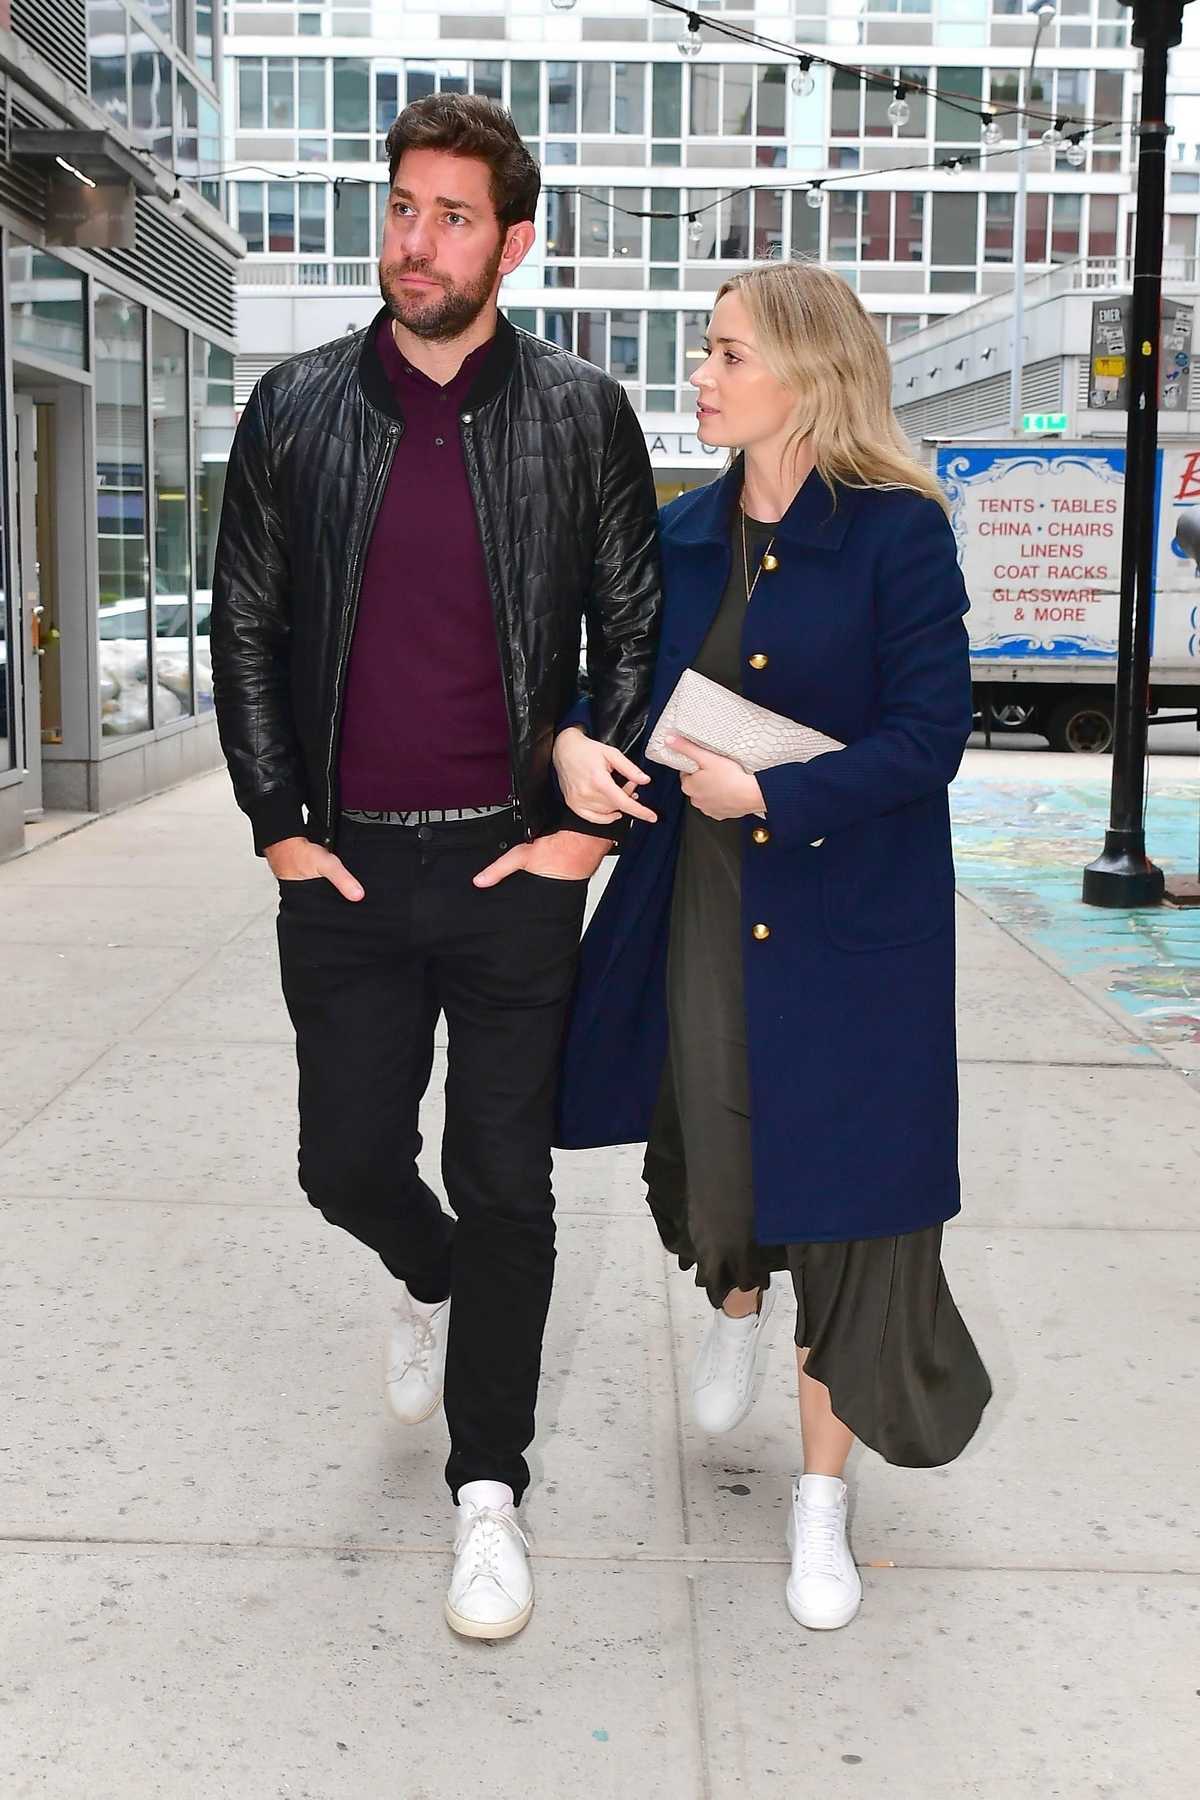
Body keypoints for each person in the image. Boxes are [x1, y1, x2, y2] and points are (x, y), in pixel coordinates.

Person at [210, 93, 660, 1640]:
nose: (417, 239)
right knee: (344, 1162)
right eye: (404, 206)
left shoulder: (584, 414)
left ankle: (489, 1493)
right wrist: (279, 826)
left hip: (509, 874)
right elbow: (249, 631)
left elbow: (631, 632)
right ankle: (428, 1276)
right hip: (341, 872)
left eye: (453, 216)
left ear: (513, 244)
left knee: (509, 1187)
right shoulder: (294, 410)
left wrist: (580, 833)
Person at [555, 262, 991, 1632]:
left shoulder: (897, 535)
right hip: (702, 901)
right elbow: (606, 689)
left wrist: (781, 796)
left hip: (853, 922)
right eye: (704, 350)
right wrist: (575, 743)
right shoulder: (682, 536)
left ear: (807, 373)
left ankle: (820, 1504)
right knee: (723, 1134)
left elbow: (933, 738)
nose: (703, 374)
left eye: (728, 353)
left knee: (859, 1210)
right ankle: (734, 1291)